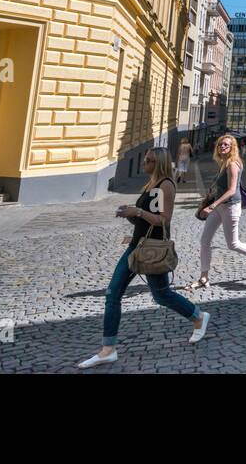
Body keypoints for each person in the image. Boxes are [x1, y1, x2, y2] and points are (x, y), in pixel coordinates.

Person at [77, 147, 207, 368]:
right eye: (145, 158)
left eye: (148, 160)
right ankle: (108, 350)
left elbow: (164, 220)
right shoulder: (150, 185)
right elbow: (146, 220)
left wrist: (136, 212)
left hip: (152, 250)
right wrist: (130, 218)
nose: (143, 162)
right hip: (137, 247)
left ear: (158, 163)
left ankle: (198, 317)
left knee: (162, 296)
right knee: (113, 293)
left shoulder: (166, 184)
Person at [186, 133, 246, 291]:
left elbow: (232, 190)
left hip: (231, 206)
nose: (222, 147)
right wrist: (211, 197)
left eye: (226, 144)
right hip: (219, 207)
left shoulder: (233, 163)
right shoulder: (224, 162)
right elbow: (221, 186)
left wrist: (213, 205)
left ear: (233, 148)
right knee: (205, 241)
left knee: (233, 244)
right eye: (220, 144)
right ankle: (204, 277)